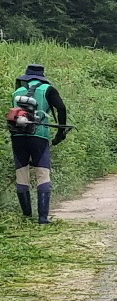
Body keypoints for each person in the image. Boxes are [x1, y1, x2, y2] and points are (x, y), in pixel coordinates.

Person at [8, 64, 68, 224]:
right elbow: (61, 108)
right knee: (42, 172)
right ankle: (42, 218)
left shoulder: (17, 92)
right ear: (42, 76)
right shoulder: (48, 89)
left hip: (18, 136)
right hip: (39, 136)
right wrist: (60, 133)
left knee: (22, 173)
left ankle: (26, 216)